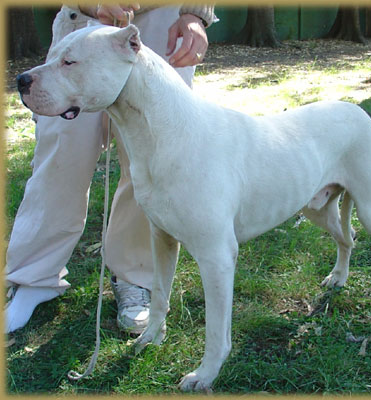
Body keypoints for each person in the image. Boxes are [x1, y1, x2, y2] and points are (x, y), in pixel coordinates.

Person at [5, 3, 216, 334]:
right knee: (62, 152)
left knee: (150, 162)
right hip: (85, 19)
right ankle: (33, 277)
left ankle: (135, 276)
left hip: (164, 20)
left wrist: (196, 14)